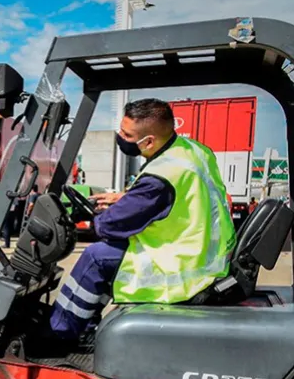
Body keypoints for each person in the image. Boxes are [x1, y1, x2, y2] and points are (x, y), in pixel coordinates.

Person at [50, 98, 237, 339]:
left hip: (185, 269)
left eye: (126, 134)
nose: (120, 137)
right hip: (204, 254)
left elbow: (111, 226)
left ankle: (59, 332)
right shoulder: (192, 151)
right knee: (110, 258)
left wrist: (95, 217)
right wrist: (127, 198)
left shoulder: (160, 177)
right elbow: (177, 195)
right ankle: (86, 328)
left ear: (148, 142)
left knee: (96, 256)